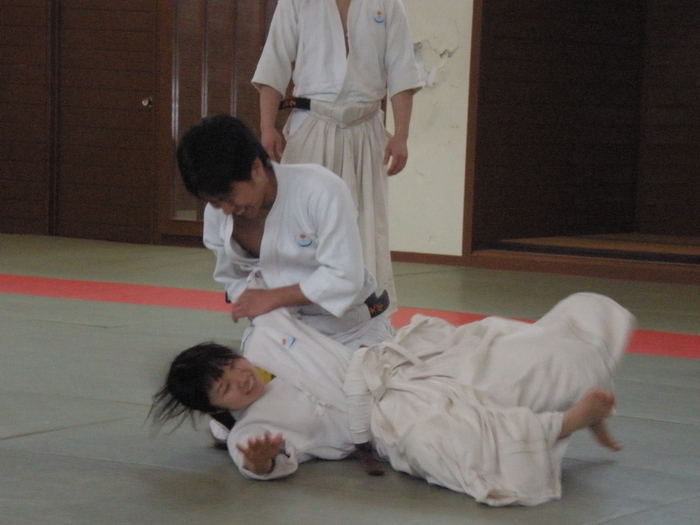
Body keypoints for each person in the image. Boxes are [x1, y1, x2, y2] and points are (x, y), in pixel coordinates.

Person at [150, 293, 635, 506]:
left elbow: (310, 288)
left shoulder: (266, 336)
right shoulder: (253, 430)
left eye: (231, 366)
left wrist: (268, 295)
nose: (240, 379)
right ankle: (563, 423)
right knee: (445, 443)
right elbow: (252, 457)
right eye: (225, 388)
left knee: (510, 356)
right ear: (218, 408)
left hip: (393, 365)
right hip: (384, 422)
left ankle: (578, 393)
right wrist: (260, 462)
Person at [252, 0, 423, 314]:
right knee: (302, 221)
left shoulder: (387, 3)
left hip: (366, 128)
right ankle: (294, 311)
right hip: (312, 123)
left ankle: (367, 315)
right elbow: (274, 62)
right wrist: (267, 126)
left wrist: (401, 135)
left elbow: (402, 68)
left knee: (366, 224)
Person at [176, 114, 393, 351]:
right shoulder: (217, 214)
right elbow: (233, 279)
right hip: (281, 330)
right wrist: (255, 306)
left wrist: (272, 298)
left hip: (352, 328)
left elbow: (345, 276)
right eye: (215, 201)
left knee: (363, 374)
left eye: (229, 197)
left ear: (256, 168)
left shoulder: (320, 190)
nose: (226, 209)